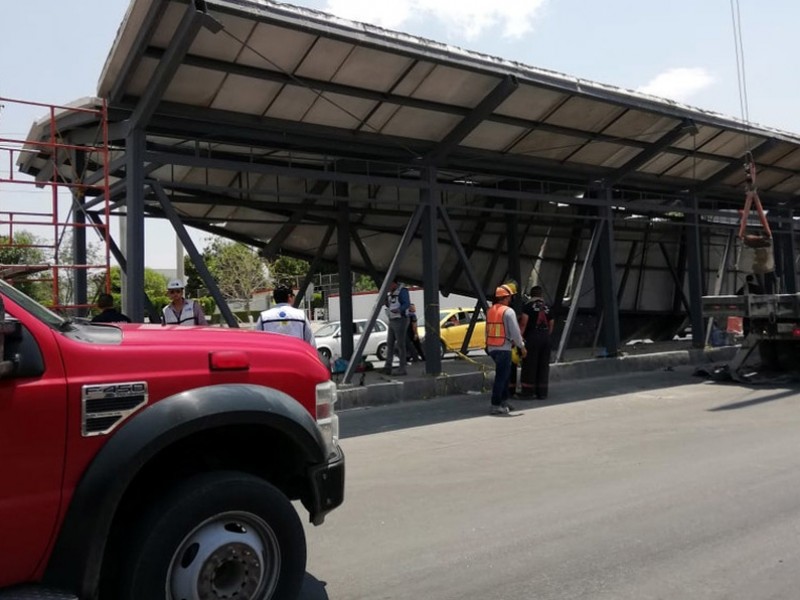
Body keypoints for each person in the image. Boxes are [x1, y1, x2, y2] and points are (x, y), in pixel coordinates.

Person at [485, 282, 526, 415]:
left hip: (492, 348)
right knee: (502, 377)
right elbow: (515, 332)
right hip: (504, 348)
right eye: (510, 297)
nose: (511, 299)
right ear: (506, 298)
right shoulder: (508, 312)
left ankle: (504, 401)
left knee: (504, 376)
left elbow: (487, 330)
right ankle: (496, 404)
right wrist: (522, 347)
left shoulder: (490, 311)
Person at [518, 285, 554, 399]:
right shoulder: (548, 306)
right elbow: (552, 324)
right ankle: (542, 392)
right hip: (545, 337)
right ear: (541, 295)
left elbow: (524, 323)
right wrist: (546, 335)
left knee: (530, 364)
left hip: (533, 337)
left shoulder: (528, 306)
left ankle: (528, 392)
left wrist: (520, 338)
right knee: (543, 365)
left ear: (531, 295)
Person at [382, 277, 410, 375]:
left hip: (401, 319)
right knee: (389, 343)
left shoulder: (402, 291)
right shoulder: (391, 293)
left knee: (400, 344)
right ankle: (387, 366)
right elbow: (390, 305)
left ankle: (402, 368)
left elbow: (407, 303)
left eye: (390, 285)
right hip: (392, 319)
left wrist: (399, 310)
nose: (389, 287)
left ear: (394, 283)